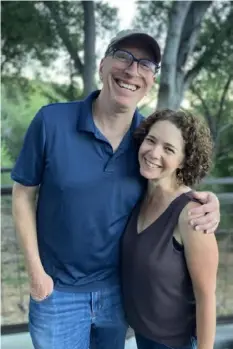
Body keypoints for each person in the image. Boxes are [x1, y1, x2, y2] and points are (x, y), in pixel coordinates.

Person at [11, 29, 219, 349]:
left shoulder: (146, 139)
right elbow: (23, 193)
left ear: (150, 80)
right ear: (103, 66)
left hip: (117, 295)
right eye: (123, 56)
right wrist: (36, 274)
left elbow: (171, 186)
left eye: (145, 64)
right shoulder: (51, 121)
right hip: (57, 294)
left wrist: (208, 201)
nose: (132, 70)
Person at [121, 109, 219, 349]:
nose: (154, 153)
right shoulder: (139, 195)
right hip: (143, 338)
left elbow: (206, 298)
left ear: (184, 160)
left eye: (169, 149)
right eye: (151, 140)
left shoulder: (192, 214)